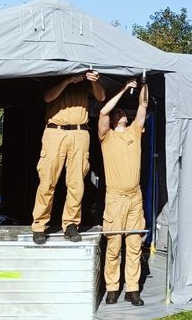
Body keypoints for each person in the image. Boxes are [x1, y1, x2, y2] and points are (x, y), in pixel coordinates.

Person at [32, 71, 105, 244]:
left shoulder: (86, 79)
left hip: (80, 132)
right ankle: (39, 225)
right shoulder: (54, 73)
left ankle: (71, 224)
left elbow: (101, 97)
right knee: (47, 180)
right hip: (55, 130)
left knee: (77, 182)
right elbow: (47, 98)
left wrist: (94, 81)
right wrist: (67, 80)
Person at [98, 78, 148, 306]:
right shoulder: (106, 137)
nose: (121, 113)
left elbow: (143, 106)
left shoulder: (134, 132)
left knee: (135, 243)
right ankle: (111, 288)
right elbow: (103, 111)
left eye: (123, 112)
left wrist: (143, 84)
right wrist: (122, 90)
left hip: (134, 196)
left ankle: (133, 288)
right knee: (114, 244)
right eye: (119, 112)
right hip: (115, 197)